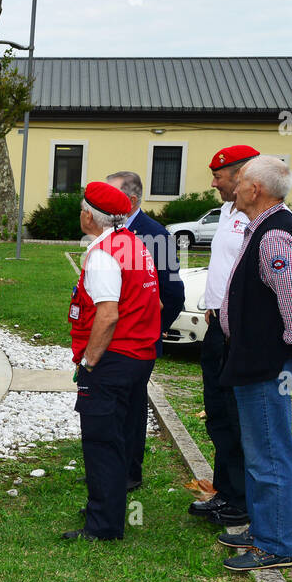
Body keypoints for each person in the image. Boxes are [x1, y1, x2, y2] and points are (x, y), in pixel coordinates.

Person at [216, 156, 292, 571]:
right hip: (255, 360)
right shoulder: (264, 227)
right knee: (260, 450)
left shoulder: (275, 235)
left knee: (270, 455)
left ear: (255, 189)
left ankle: (275, 544)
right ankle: (263, 530)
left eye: (239, 180)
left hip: (266, 365)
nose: (234, 186)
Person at [61, 182, 161, 541]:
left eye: (82, 209)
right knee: (118, 437)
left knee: (101, 440)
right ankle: (109, 509)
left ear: (89, 216)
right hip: (138, 355)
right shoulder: (133, 243)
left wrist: (88, 362)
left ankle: (103, 526)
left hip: (113, 359)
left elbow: (107, 315)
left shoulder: (104, 254)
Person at [189, 145, 257, 530]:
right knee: (217, 414)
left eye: (220, 176)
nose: (213, 182)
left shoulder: (261, 218)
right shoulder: (230, 211)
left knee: (237, 416)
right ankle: (226, 493)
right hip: (218, 326)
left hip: (241, 333)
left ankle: (243, 500)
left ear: (243, 174)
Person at [105, 170, 183, 491]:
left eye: (111, 196)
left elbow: (173, 295)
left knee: (131, 408)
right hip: (110, 339)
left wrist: (152, 331)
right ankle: (108, 466)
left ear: (131, 200)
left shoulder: (154, 236)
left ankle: (129, 472)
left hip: (138, 343)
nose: (103, 202)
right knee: (109, 407)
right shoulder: (110, 231)